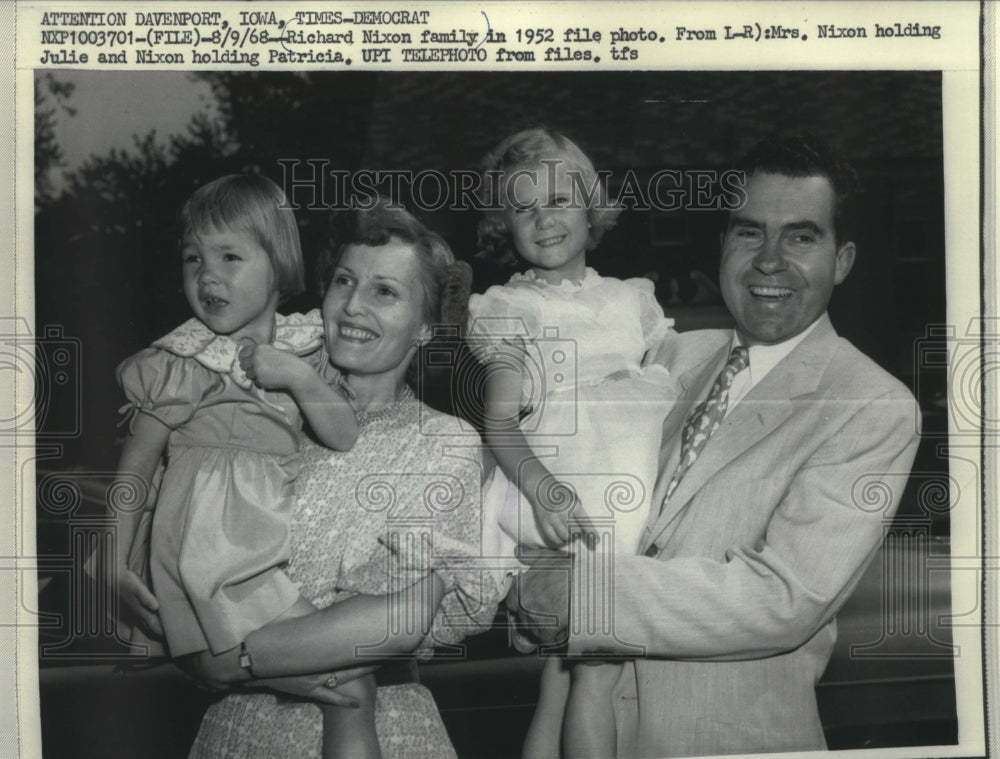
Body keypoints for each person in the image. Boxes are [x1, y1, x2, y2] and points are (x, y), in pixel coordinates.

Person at [508, 133, 922, 757]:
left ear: (842, 261)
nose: (770, 260)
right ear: (724, 244)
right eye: (749, 232)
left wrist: (578, 593)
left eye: (801, 236)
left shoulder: (871, 405)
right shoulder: (670, 356)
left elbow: (782, 599)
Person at [186, 201, 501, 759]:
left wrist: (229, 660)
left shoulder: (445, 442)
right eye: (344, 281)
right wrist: (195, 652)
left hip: (387, 725)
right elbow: (186, 571)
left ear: (427, 328)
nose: (353, 304)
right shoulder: (259, 419)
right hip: (239, 735)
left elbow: (400, 621)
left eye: (385, 291)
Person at [111, 174, 365, 758]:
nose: (207, 274)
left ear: (278, 267)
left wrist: (297, 375)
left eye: (230, 256)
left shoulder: (306, 349)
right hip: (212, 546)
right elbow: (135, 469)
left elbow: (344, 435)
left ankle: (233, 665)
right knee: (347, 675)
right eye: (193, 257)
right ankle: (232, 664)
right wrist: (110, 558)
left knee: (345, 671)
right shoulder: (186, 359)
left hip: (267, 537)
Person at [468, 128, 678, 759]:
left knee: (560, 681)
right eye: (524, 208)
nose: (544, 218)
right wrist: (544, 488)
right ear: (503, 224)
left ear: (592, 208)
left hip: (623, 515)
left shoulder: (631, 300)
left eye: (559, 200)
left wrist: (653, 376)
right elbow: (499, 421)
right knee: (596, 670)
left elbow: (672, 373)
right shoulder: (511, 308)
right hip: (565, 519)